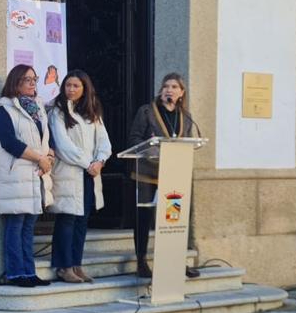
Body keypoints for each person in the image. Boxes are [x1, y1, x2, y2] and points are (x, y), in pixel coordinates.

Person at [127, 72, 200, 280]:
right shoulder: (147, 111)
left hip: (173, 176)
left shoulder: (185, 116)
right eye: (166, 86)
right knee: (144, 219)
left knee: (173, 220)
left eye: (174, 87)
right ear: (161, 89)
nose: (169, 90)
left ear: (181, 93)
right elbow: (134, 139)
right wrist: (152, 149)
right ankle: (141, 261)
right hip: (147, 174)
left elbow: (188, 142)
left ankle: (175, 261)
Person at [0, 64, 54, 288]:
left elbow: (46, 139)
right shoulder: (3, 109)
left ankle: (29, 271)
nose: (33, 83)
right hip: (15, 174)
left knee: (28, 226)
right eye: (28, 79)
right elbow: (9, 142)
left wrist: (49, 157)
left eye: (35, 79)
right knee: (15, 224)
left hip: (36, 175)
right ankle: (16, 274)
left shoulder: (38, 108)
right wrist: (39, 158)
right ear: (15, 82)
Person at [48, 70, 112, 283]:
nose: (71, 89)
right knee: (67, 218)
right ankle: (63, 267)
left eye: (76, 86)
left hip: (89, 174)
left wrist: (100, 161)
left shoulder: (92, 112)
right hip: (70, 172)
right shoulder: (57, 112)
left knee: (82, 220)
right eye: (68, 85)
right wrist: (88, 164)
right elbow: (63, 145)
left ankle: (76, 264)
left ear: (85, 89)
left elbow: (104, 142)